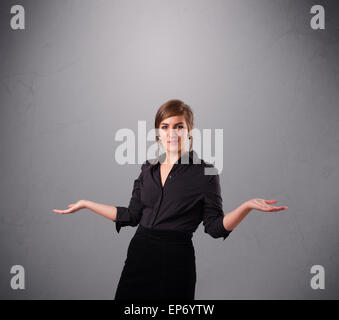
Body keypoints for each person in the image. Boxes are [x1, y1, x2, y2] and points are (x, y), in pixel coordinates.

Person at [52, 99, 288, 300]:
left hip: (175, 261)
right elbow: (131, 216)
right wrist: (87, 204)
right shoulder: (148, 169)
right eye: (165, 126)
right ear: (158, 132)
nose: (171, 133)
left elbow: (215, 227)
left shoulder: (206, 173)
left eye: (179, 126)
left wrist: (246, 207)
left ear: (190, 131)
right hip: (139, 255)